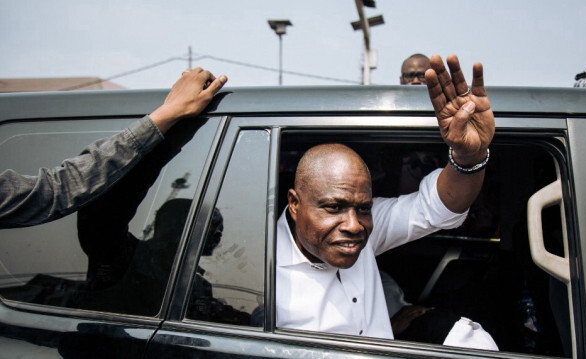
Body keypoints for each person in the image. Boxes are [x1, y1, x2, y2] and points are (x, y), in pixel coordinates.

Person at [276, 54, 495, 339]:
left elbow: (437, 207)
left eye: (364, 207)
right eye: (333, 207)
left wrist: (469, 156)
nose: (354, 225)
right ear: (294, 204)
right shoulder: (263, 267)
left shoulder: (364, 227)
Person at [0, 67, 227, 229]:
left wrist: (171, 118)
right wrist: (168, 115)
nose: (216, 236)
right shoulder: (124, 258)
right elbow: (62, 191)